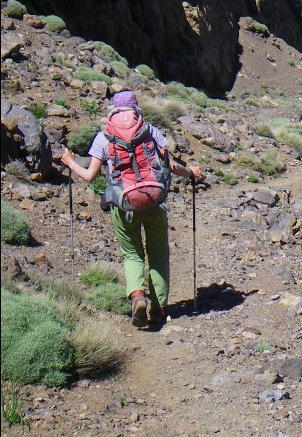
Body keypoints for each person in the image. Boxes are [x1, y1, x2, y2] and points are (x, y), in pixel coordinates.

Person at [59, 90, 202, 329]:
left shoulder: (104, 137)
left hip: (123, 205)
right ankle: (157, 308)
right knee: (158, 253)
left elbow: (89, 176)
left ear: (113, 110)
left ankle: (137, 297)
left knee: (132, 254)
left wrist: (70, 161)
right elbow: (172, 165)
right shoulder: (150, 131)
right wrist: (192, 173)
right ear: (136, 109)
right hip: (155, 202)